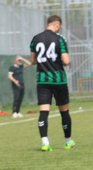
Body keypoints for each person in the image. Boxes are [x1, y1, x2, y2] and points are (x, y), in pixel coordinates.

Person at [29, 15, 74, 151]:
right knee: (64, 111)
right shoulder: (59, 39)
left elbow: (33, 61)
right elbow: (66, 61)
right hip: (58, 80)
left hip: (42, 80)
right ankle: (68, 141)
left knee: (43, 112)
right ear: (57, 24)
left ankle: (45, 142)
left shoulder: (35, 39)